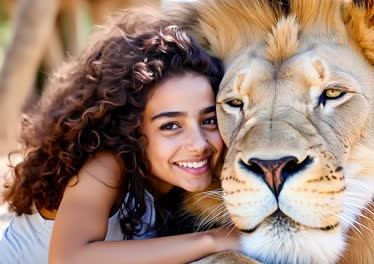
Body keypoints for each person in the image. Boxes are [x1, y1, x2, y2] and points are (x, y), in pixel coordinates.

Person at [0, 13, 239, 264]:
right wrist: (212, 239)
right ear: (131, 129)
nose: (199, 143)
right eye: (170, 126)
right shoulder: (105, 167)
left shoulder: (174, 187)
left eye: (209, 120)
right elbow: (68, 259)